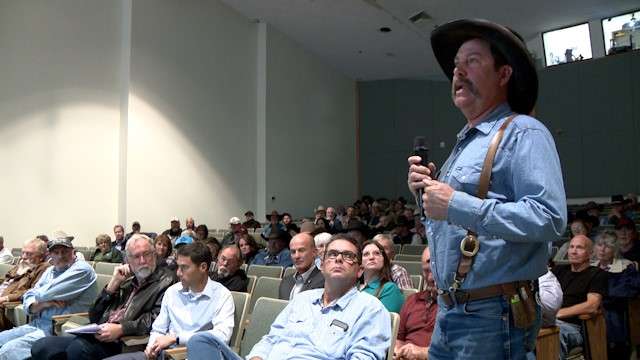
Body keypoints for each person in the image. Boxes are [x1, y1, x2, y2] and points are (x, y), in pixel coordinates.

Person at [407, 19, 567, 358]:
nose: (458, 72)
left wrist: (454, 203)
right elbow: (450, 218)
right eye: (455, 66)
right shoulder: (464, 144)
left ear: (504, 73)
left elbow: (550, 219)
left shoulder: (524, 131)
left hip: (494, 313)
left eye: (472, 61)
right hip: (451, 310)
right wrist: (425, 193)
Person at [185, 233, 392, 360]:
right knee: (201, 341)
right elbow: (271, 338)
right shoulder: (303, 299)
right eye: (332, 254)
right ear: (322, 263)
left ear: (359, 270)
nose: (338, 258)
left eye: (348, 256)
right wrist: (257, 357)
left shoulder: (370, 308)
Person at [31, 234, 178, 360]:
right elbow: (94, 315)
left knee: (78, 349)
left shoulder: (167, 281)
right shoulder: (126, 280)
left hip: (123, 341)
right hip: (99, 334)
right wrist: (112, 285)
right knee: (42, 346)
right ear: (127, 260)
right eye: (136, 256)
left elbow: (155, 318)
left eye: (146, 254)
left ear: (154, 254)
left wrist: (122, 329)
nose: (142, 261)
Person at [99, 242, 234, 360]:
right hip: (159, 354)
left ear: (203, 267)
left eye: (184, 268)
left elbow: (221, 336)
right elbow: (158, 328)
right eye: (178, 267)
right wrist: (151, 348)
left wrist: (176, 338)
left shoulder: (222, 296)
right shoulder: (173, 292)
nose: (178, 273)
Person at [0, 234, 97, 360]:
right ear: (50, 255)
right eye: (56, 252)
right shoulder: (50, 271)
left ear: (73, 252)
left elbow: (42, 294)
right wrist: (44, 304)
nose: (61, 256)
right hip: (38, 323)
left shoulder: (82, 269)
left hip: (59, 327)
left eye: (65, 251)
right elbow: (28, 296)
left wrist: (40, 296)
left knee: (9, 350)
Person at [552, 235, 607, 358]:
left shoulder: (597, 274)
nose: (573, 251)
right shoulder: (558, 270)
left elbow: (591, 305)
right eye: (571, 247)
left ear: (590, 253)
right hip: (548, 321)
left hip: (574, 327)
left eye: (579, 247)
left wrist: (558, 313)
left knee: (554, 335)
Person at [394, 247, 438, 360]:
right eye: (426, 271)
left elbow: (456, 350)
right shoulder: (412, 300)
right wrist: (397, 350)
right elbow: (399, 338)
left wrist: (423, 353)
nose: (431, 277)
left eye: (434, 269)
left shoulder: (457, 306)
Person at [0, 238, 50, 330]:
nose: (23, 257)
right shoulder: (21, 264)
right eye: (23, 252)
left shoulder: (44, 268)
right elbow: (6, 281)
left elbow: (33, 291)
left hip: (6, 304)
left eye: (29, 254)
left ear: (41, 256)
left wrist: (5, 298)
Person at [359, 240, 405, 313]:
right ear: (360, 262)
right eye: (366, 254)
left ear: (384, 260)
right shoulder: (352, 287)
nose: (371, 257)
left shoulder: (390, 289)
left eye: (377, 253)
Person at [278, 233, 324, 300]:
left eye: (301, 250)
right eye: (293, 252)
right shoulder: (285, 281)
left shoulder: (325, 281)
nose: (297, 256)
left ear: (314, 252)